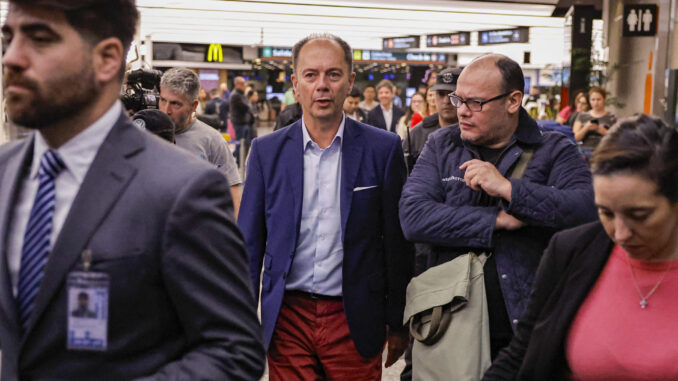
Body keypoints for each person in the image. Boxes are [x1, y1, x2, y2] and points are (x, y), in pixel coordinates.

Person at [0, 0, 265, 379]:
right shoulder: (6, 172)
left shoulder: (181, 189)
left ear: (107, 58)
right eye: (8, 38)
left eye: (40, 39)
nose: (11, 58)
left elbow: (235, 351)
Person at [399, 54, 597, 364]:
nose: (461, 111)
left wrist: (509, 189)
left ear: (513, 101)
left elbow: (586, 209)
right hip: (446, 322)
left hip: (523, 327)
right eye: (457, 99)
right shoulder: (441, 145)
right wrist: (497, 220)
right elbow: (413, 217)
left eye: (475, 103)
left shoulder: (554, 150)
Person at [239, 33, 413, 380]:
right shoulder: (266, 152)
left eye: (333, 75)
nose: (322, 85)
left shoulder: (383, 149)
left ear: (349, 82)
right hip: (288, 316)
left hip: (354, 316)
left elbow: (397, 242)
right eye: (310, 75)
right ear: (295, 84)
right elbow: (248, 243)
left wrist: (397, 322)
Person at [483, 114, 678, 380]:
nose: (620, 234)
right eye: (606, 213)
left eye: (640, 215)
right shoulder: (572, 251)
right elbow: (521, 354)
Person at [159, 68, 243, 217]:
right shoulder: (145, 132)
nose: (166, 110)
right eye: (162, 100)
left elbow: (233, 196)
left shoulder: (212, 140)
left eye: (175, 104)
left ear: (193, 105)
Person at [403, 67, 461, 174]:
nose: (446, 101)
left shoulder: (474, 133)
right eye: (441, 94)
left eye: (453, 95)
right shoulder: (418, 133)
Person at [572, 86, 617, 156]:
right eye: (593, 100)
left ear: (604, 99)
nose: (596, 102)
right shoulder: (582, 116)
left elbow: (617, 139)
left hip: (603, 152)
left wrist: (602, 130)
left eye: (598, 99)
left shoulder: (611, 117)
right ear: (589, 101)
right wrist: (586, 128)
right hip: (584, 151)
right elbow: (575, 138)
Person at [230, 76, 250, 163]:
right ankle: (238, 160)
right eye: (242, 84)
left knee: (245, 143)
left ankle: (239, 158)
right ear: (237, 84)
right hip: (239, 123)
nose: (244, 86)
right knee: (240, 143)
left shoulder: (241, 94)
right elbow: (245, 107)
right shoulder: (236, 95)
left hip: (244, 122)